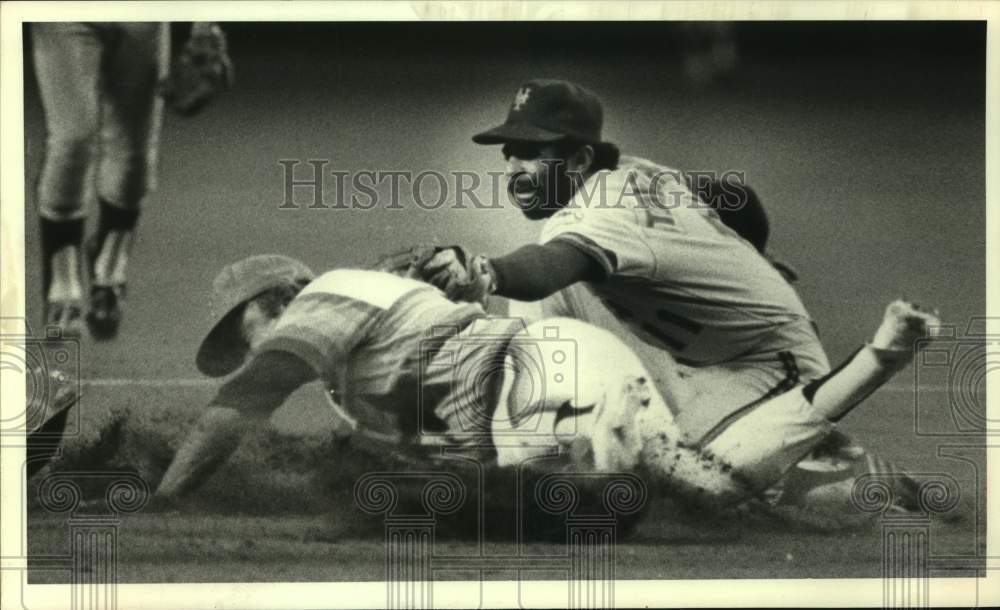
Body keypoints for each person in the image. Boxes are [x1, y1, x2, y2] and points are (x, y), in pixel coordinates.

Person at [420, 78, 941, 511]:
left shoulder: (602, 213)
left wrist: (485, 271)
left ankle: (864, 431)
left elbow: (546, 266)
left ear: (578, 160)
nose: (514, 169)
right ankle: (529, 457)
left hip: (765, 363)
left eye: (533, 154)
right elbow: (730, 197)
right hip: (687, 350)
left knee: (699, 492)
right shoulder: (633, 172)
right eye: (510, 153)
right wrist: (750, 254)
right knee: (545, 311)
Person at [149, 254, 937, 525]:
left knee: (699, 492)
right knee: (704, 485)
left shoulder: (326, 300)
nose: (246, 351)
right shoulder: (355, 353)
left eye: (239, 333)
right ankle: (870, 473)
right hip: (555, 377)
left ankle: (875, 369)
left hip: (539, 392)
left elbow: (238, 406)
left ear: (269, 304)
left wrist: (168, 495)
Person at [32, 22, 228, 339]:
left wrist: (205, 24)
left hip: (142, 16)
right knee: (72, 141)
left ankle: (109, 261)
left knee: (134, 156)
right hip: (64, 14)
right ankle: (62, 279)